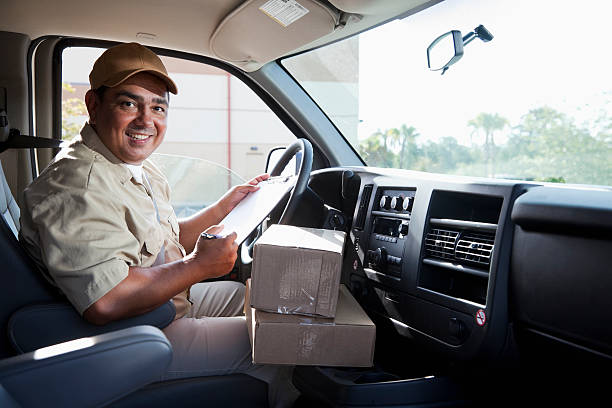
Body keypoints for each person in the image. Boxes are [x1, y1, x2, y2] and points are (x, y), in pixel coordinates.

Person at [19, 42, 298, 407]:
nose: (145, 121)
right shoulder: (78, 184)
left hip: (157, 304)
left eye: (158, 107)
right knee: (286, 344)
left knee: (249, 299)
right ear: (93, 105)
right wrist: (198, 266)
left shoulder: (129, 164)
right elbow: (106, 299)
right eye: (128, 103)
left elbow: (161, 240)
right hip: (128, 332)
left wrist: (222, 208)